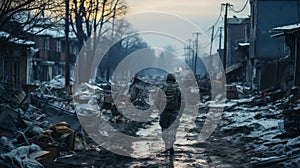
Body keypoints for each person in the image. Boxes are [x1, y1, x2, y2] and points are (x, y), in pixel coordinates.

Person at [156, 73, 183, 155]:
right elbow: (182, 102)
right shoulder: (178, 89)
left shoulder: (162, 88)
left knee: (164, 128)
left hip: (164, 112)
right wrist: (180, 112)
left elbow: (156, 101)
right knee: (173, 129)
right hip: (174, 112)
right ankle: (171, 146)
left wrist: (160, 109)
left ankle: (166, 145)